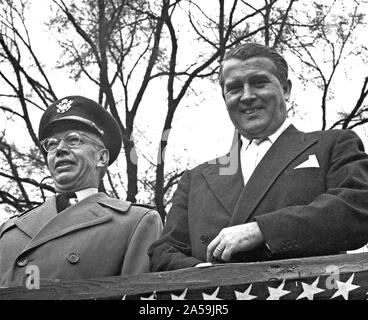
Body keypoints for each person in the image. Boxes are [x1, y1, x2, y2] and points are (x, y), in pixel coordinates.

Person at [148, 43, 368, 272]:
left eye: (259, 83)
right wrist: (206, 277)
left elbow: (358, 207)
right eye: (234, 88)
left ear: (286, 89)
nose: (247, 96)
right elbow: (164, 253)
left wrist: (262, 230)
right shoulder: (196, 179)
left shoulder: (332, 145)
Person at [0, 96, 162, 287]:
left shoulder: (136, 223)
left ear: (101, 158)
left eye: (73, 139)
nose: (59, 149)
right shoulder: (9, 230)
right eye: (51, 144)